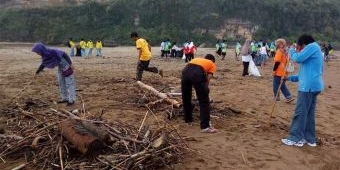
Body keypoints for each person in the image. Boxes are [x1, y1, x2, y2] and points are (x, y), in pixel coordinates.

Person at [281, 34, 324, 147]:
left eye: (300, 48)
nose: (299, 50)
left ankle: (295, 138)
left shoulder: (313, 47)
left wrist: (291, 50)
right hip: (314, 86)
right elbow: (303, 74)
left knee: (300, 113)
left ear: (304, 44)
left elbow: (298, 58)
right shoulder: (314, 53)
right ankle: (309, 139)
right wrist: (289, 78)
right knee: (309, 114)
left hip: (308, 88)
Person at [181, 54, 217, 133]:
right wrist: (205, 90)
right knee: (204, 101)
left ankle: (188, 120)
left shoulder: (198, 60)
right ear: (212, 60)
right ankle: (205, 127)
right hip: (197, 73)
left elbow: (190, 70)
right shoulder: (212, 64)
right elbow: (208, 78)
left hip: (185, 71)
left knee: (186, 97)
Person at [272, 38, 294, 102]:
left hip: (279, 72)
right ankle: (288, 96)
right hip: (285, 72)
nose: (276, 45)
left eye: (277, 44)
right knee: (282, 85)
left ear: (280, 45)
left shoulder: (279, 51)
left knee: (275, 84)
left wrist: (274, 71)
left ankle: (276, 97)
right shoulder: (286, 52)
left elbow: (277, 62)